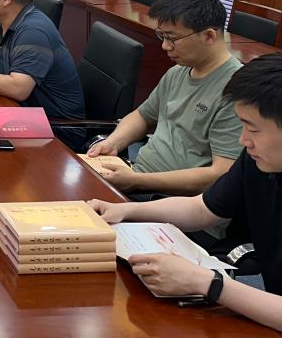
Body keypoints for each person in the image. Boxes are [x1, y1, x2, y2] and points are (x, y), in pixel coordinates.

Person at [88, 54, 282, 332]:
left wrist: (207, 283)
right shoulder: (257, 160)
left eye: (252, 128)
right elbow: (202, 209)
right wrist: (125, 210)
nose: (243, 140)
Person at [86, 0, 242, 199]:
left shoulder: (237, 91)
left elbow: (220, 175)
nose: (165, 46)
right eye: (162, 36)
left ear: (209, 36)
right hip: (137, 178)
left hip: (171, 201)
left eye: (172, 38)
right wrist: (112, 143)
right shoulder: (178, 71)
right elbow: (143, 116)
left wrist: (137, 181)